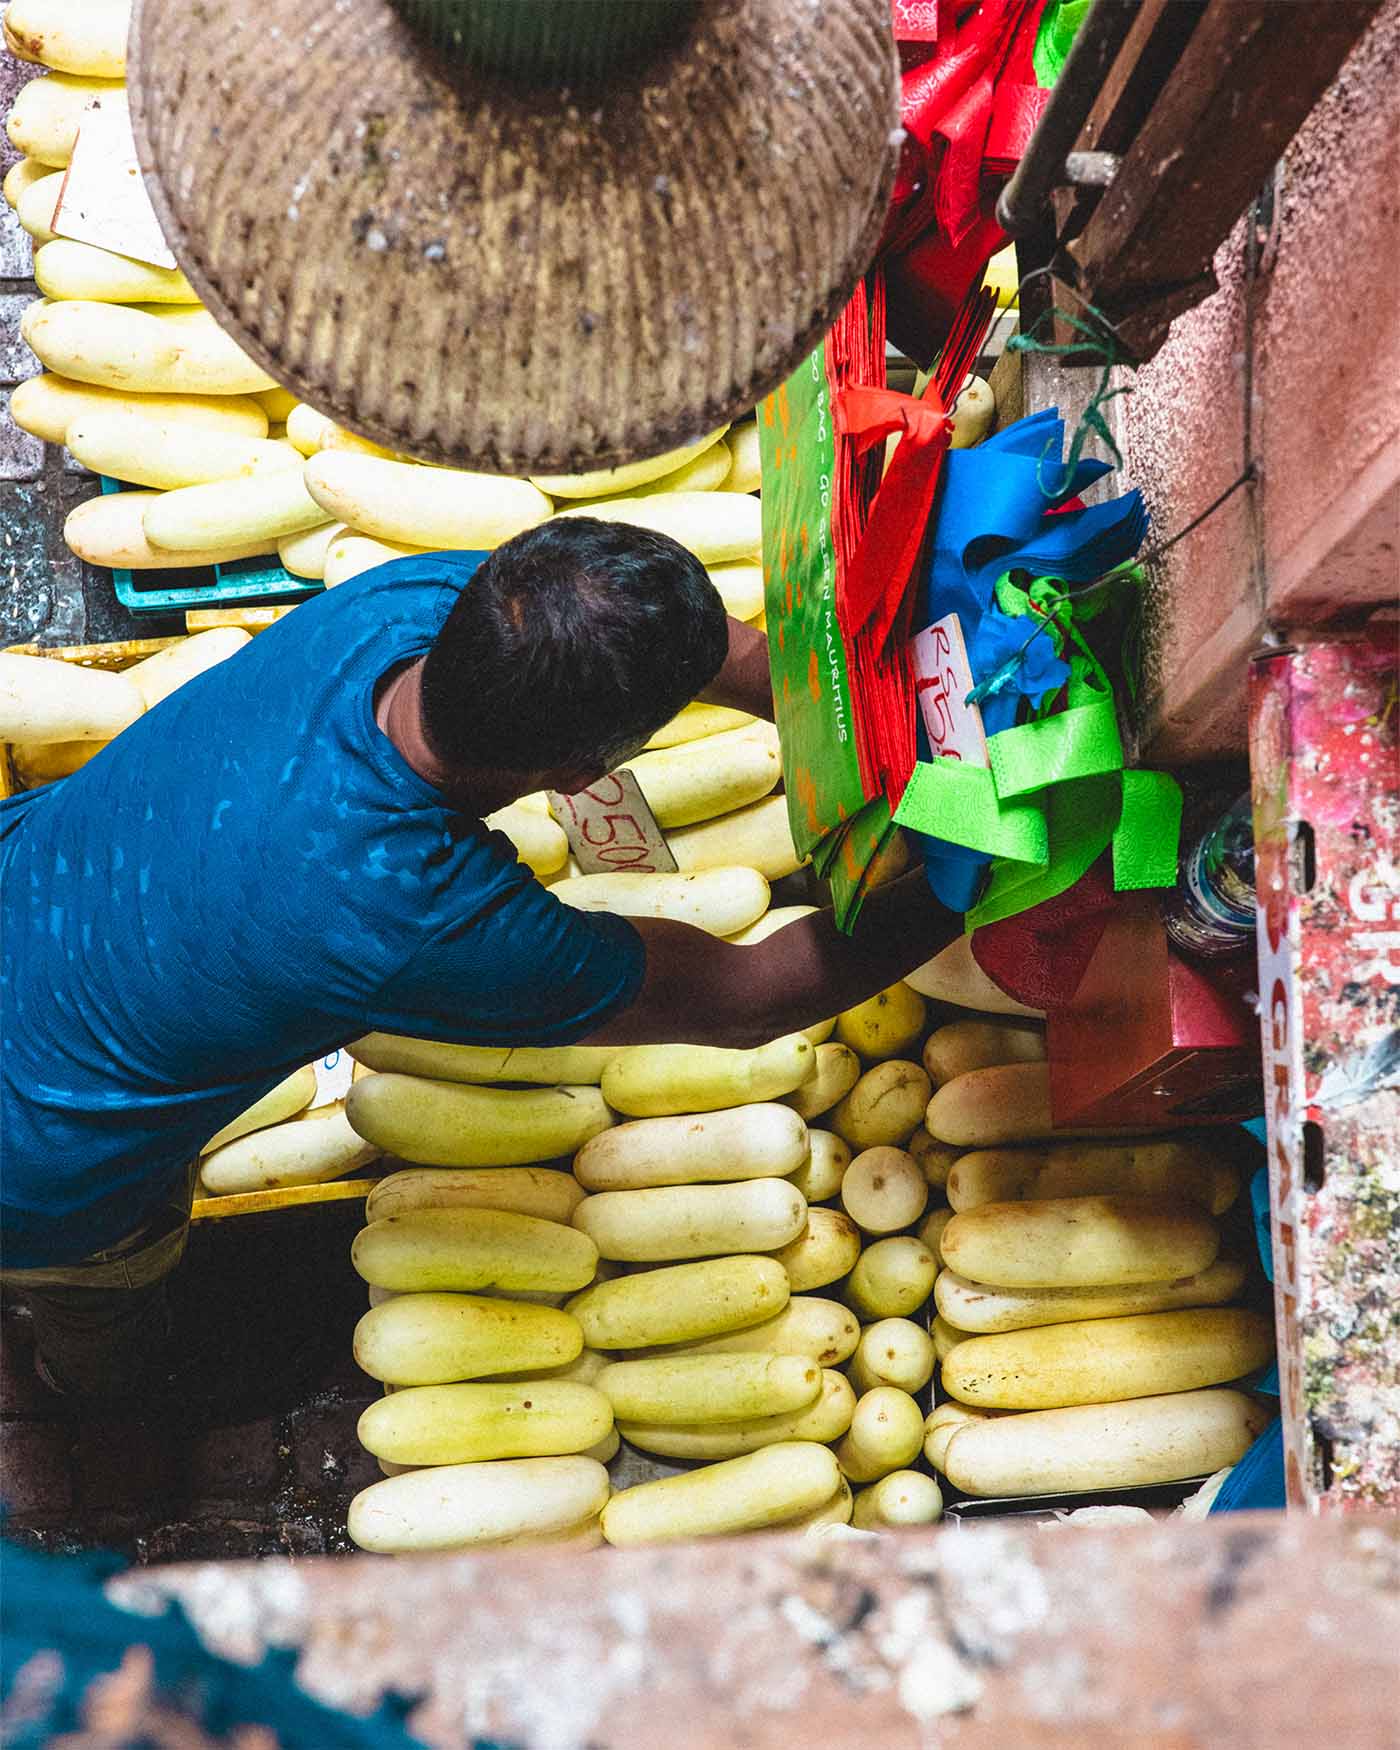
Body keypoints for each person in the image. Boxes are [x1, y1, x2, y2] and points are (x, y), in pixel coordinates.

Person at [0, 520, 959, 1403]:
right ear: (588, 776)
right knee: (103, 1286)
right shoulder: (408, 911)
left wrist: (883, 723)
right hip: (37, 1161)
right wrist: (975, 869)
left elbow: (689, 647)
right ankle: (99, 1388)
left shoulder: (414, 606)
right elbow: (750, 996)